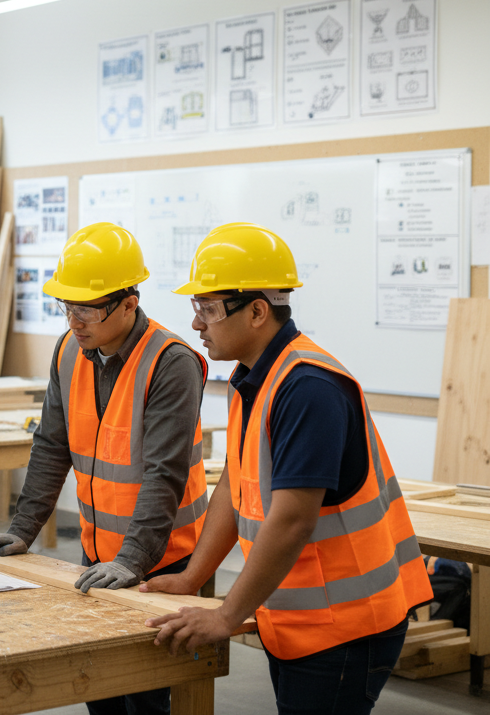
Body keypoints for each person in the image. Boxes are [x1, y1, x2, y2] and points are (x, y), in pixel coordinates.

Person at [144, 222, 432, 715]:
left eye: (208, 309)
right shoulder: (252, 377)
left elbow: (294, 518)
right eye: (197, 309)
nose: (197, 325)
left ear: (257, 311)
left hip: (346, 626)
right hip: (301, 617)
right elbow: (237, 486)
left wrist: (227, 615)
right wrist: (194, 576)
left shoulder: (307, 388)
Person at [0, 222, 208, 715]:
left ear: (128, 303)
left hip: (162, 563)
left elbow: (165, 473)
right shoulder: (68, 352)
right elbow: (52, 446)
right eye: (67, 305)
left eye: (87, 308)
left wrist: (133, 560)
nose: (75, 320)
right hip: (98, 558)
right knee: (99, 693)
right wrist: (22, 531)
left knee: (145, 697)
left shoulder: (171, 363)